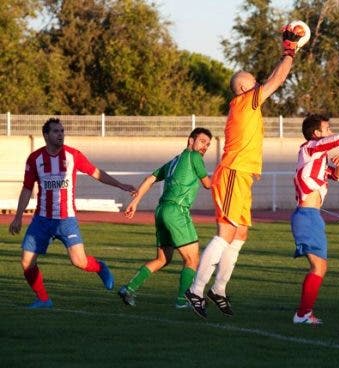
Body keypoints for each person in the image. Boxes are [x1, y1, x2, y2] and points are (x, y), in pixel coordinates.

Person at [185, 23, 309, 318]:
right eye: (253, 82)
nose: (258, 86)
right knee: (226, 233)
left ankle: (219, 289)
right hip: (232, 173)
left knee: (239, 234)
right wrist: (289, 51)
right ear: (243, 88)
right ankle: (196, 289)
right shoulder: (244, 102)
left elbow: (270, 82)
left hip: (242, 175)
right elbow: (276, 81)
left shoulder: (246, 106)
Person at [8, 117, 135, 308]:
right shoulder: (35, 159)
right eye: (56, 131)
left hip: (66, 219)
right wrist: (18, 217)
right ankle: (43, 299)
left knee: (79, 262)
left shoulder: (73, 155)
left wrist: (119, 184)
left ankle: (100, 267)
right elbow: (27, 189)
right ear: (46, 135)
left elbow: (96, 172)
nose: (61, 134)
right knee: (26, 262)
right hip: (42, 219)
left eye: (62, 131)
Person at [117, 128, 213, 309]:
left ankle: (129, 288)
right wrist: (229, 176)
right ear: (190, 141)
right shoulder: (195, 158)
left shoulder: (174, 161)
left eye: (208, 144)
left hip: (161, 211)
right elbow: (208, 184)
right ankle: (182, 301)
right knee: (192, 260)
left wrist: (135, 202)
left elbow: (150, 178)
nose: (204, 147)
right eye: (202, 141)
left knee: (163, 259)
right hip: (176, 211)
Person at [291, 114, 339, 325]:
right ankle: (302, 314)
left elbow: (337, 176)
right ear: (316, 134)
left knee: (320, 267)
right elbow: (337, 139)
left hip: (312, 216)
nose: (330, 132)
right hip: (306, 216)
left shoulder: (318, 158)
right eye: (327, 128)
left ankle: (304, 314)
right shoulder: (309, 148)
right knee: (318, 267)